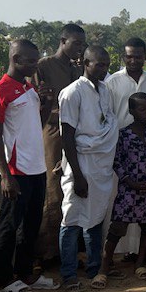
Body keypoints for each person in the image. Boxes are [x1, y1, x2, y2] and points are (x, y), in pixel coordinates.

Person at [0, 38, 58, 292]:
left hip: (36, 169)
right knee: (8, 227)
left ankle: (25, 273)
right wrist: (5, 176)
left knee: (30, 226)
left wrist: (47, 103)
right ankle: (5, 281)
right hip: (15, 173)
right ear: (15, 60)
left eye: (36, 61)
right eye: (30, 61)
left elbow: (34, 125)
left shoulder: (27, 88)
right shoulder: (0, 91)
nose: (35, 66)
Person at [58, 46, 118, 291]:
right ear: (85, 62)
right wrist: (78, 175)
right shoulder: (72, 93)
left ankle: (94, 269)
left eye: (106, 65)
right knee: (71, 219)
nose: (103, 69)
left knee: (95, 218)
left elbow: (108, 122)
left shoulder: (105, 90)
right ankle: (69, 274)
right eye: (99, 64)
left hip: (101, 166)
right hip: (81, 165)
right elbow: (67, 136)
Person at [36, 23, 86, 261]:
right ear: (63, 41)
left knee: (72, 191)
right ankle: (46, 255)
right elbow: (38, 103)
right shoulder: (44, 66)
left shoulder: (77, 70)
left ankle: (68, 252)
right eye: (76, 43)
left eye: (82, 45)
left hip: (75, 135)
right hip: (53, 134)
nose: (80, 48)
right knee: (53, 192)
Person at [105, 93, 146, 279]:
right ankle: (105, 266)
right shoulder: (123, 135)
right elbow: (116, 160)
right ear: (131, 111)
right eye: (142, 109)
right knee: (118, 227)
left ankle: (140, 264)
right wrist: (130, 181)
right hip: (129, 189)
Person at [106, 37, 146, 129]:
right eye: (129, 57)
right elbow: (107, 115)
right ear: (123, 57)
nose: (133, 61)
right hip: (119, 139)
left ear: (145, 57)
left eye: (138, 57)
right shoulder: (112, 82)